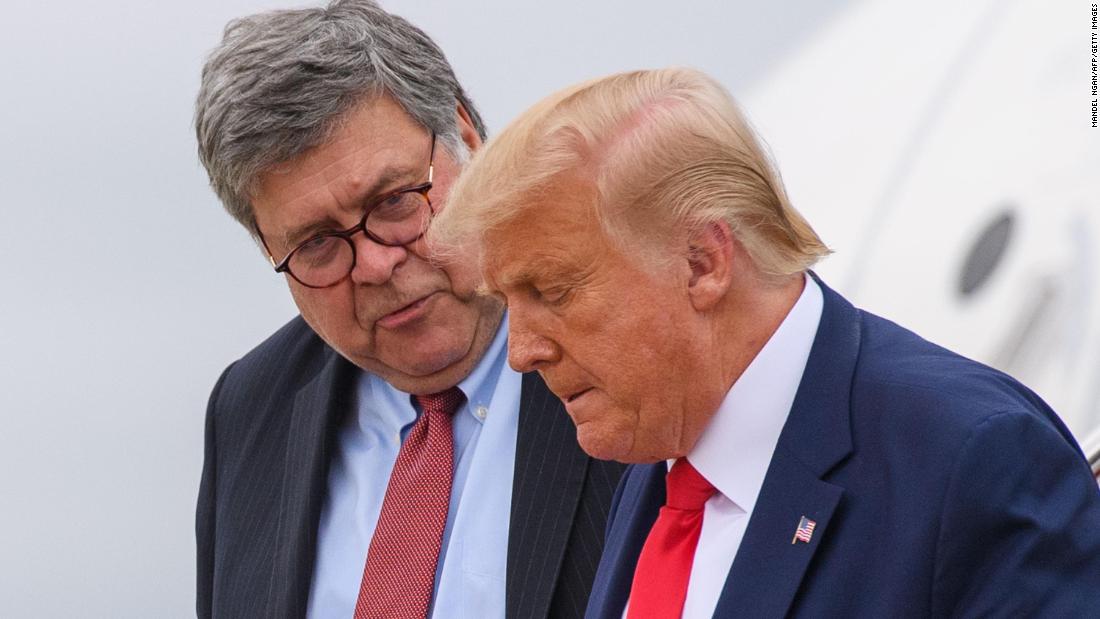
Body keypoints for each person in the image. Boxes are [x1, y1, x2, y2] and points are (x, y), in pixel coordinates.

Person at [430, 67, 1100, 617]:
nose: (521, 351)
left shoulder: (969, 457)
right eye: (508, 303)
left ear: (703, 262)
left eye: (552, 291)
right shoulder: (656, 461)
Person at [192, 2, 624, 617]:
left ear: (466, 138)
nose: (374, 265)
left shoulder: (623, 339)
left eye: (395, 201)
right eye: (317, 243)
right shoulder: (252, 408)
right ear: (268, 248)